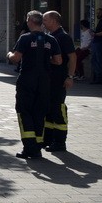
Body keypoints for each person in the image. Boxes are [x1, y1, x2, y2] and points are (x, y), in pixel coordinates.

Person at [8, 10, 62, 160]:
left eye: (27, 19)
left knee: (24, 111)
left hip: (27, 80)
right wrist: (44, 62)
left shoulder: (25, 38)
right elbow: (58, 61)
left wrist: (9, 54)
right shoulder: (51, 40)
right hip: (44, 81)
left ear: (31, 21)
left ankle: (29, 147)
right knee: (39, 113)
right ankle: (37, 147)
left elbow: (16, 58)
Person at [41, 10, 75, 153]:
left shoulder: (63, 37)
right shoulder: (50, 36)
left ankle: (60, 142)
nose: (43, 23)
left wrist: (70, 77)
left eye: (45, 20)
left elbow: (73, 58)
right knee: (49, 109)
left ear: (54, 21)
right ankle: (48, 139)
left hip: (59, 79)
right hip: (49, 79)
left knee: (58, 109)